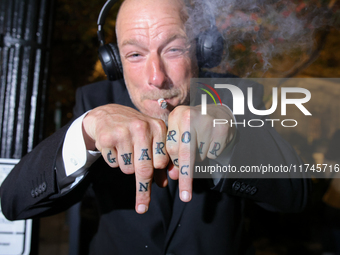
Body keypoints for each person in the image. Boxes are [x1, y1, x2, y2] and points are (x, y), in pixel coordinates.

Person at [0, 0, 310, 254]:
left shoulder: (234, 94)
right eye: (135, 54)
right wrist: (85, 133)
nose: (156, 77)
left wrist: (230, 141)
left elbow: (296, 194)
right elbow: (13, 203)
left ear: (202, 51)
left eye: (173, 49)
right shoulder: (96, 100)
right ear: (114, 62)